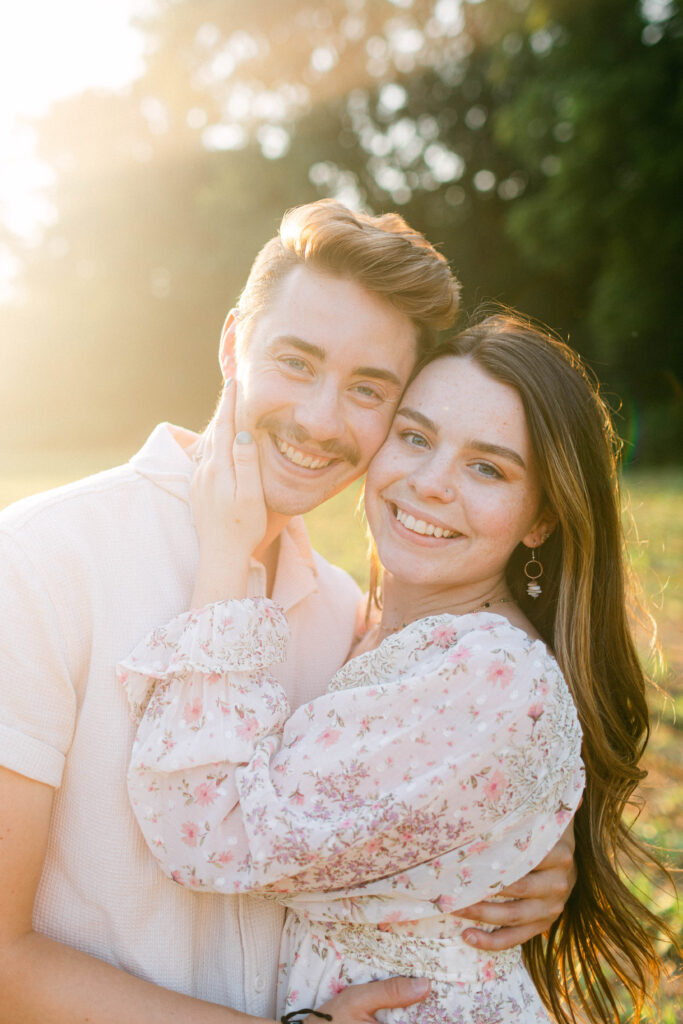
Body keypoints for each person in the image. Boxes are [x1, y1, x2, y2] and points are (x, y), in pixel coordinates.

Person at [0, 202, 574, 1024]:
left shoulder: (344, 613)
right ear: (234, 343)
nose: (317, 420)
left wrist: (522, 848)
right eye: (296, 363)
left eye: (367, 389)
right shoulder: (36, 564)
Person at [123, 314, 666, 1024]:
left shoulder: (487, 678)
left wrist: (227, 556)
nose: (429, 482)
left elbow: (214, 838)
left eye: (487, 467)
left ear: (540, 518)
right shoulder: (365, 623)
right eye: (414, 437)